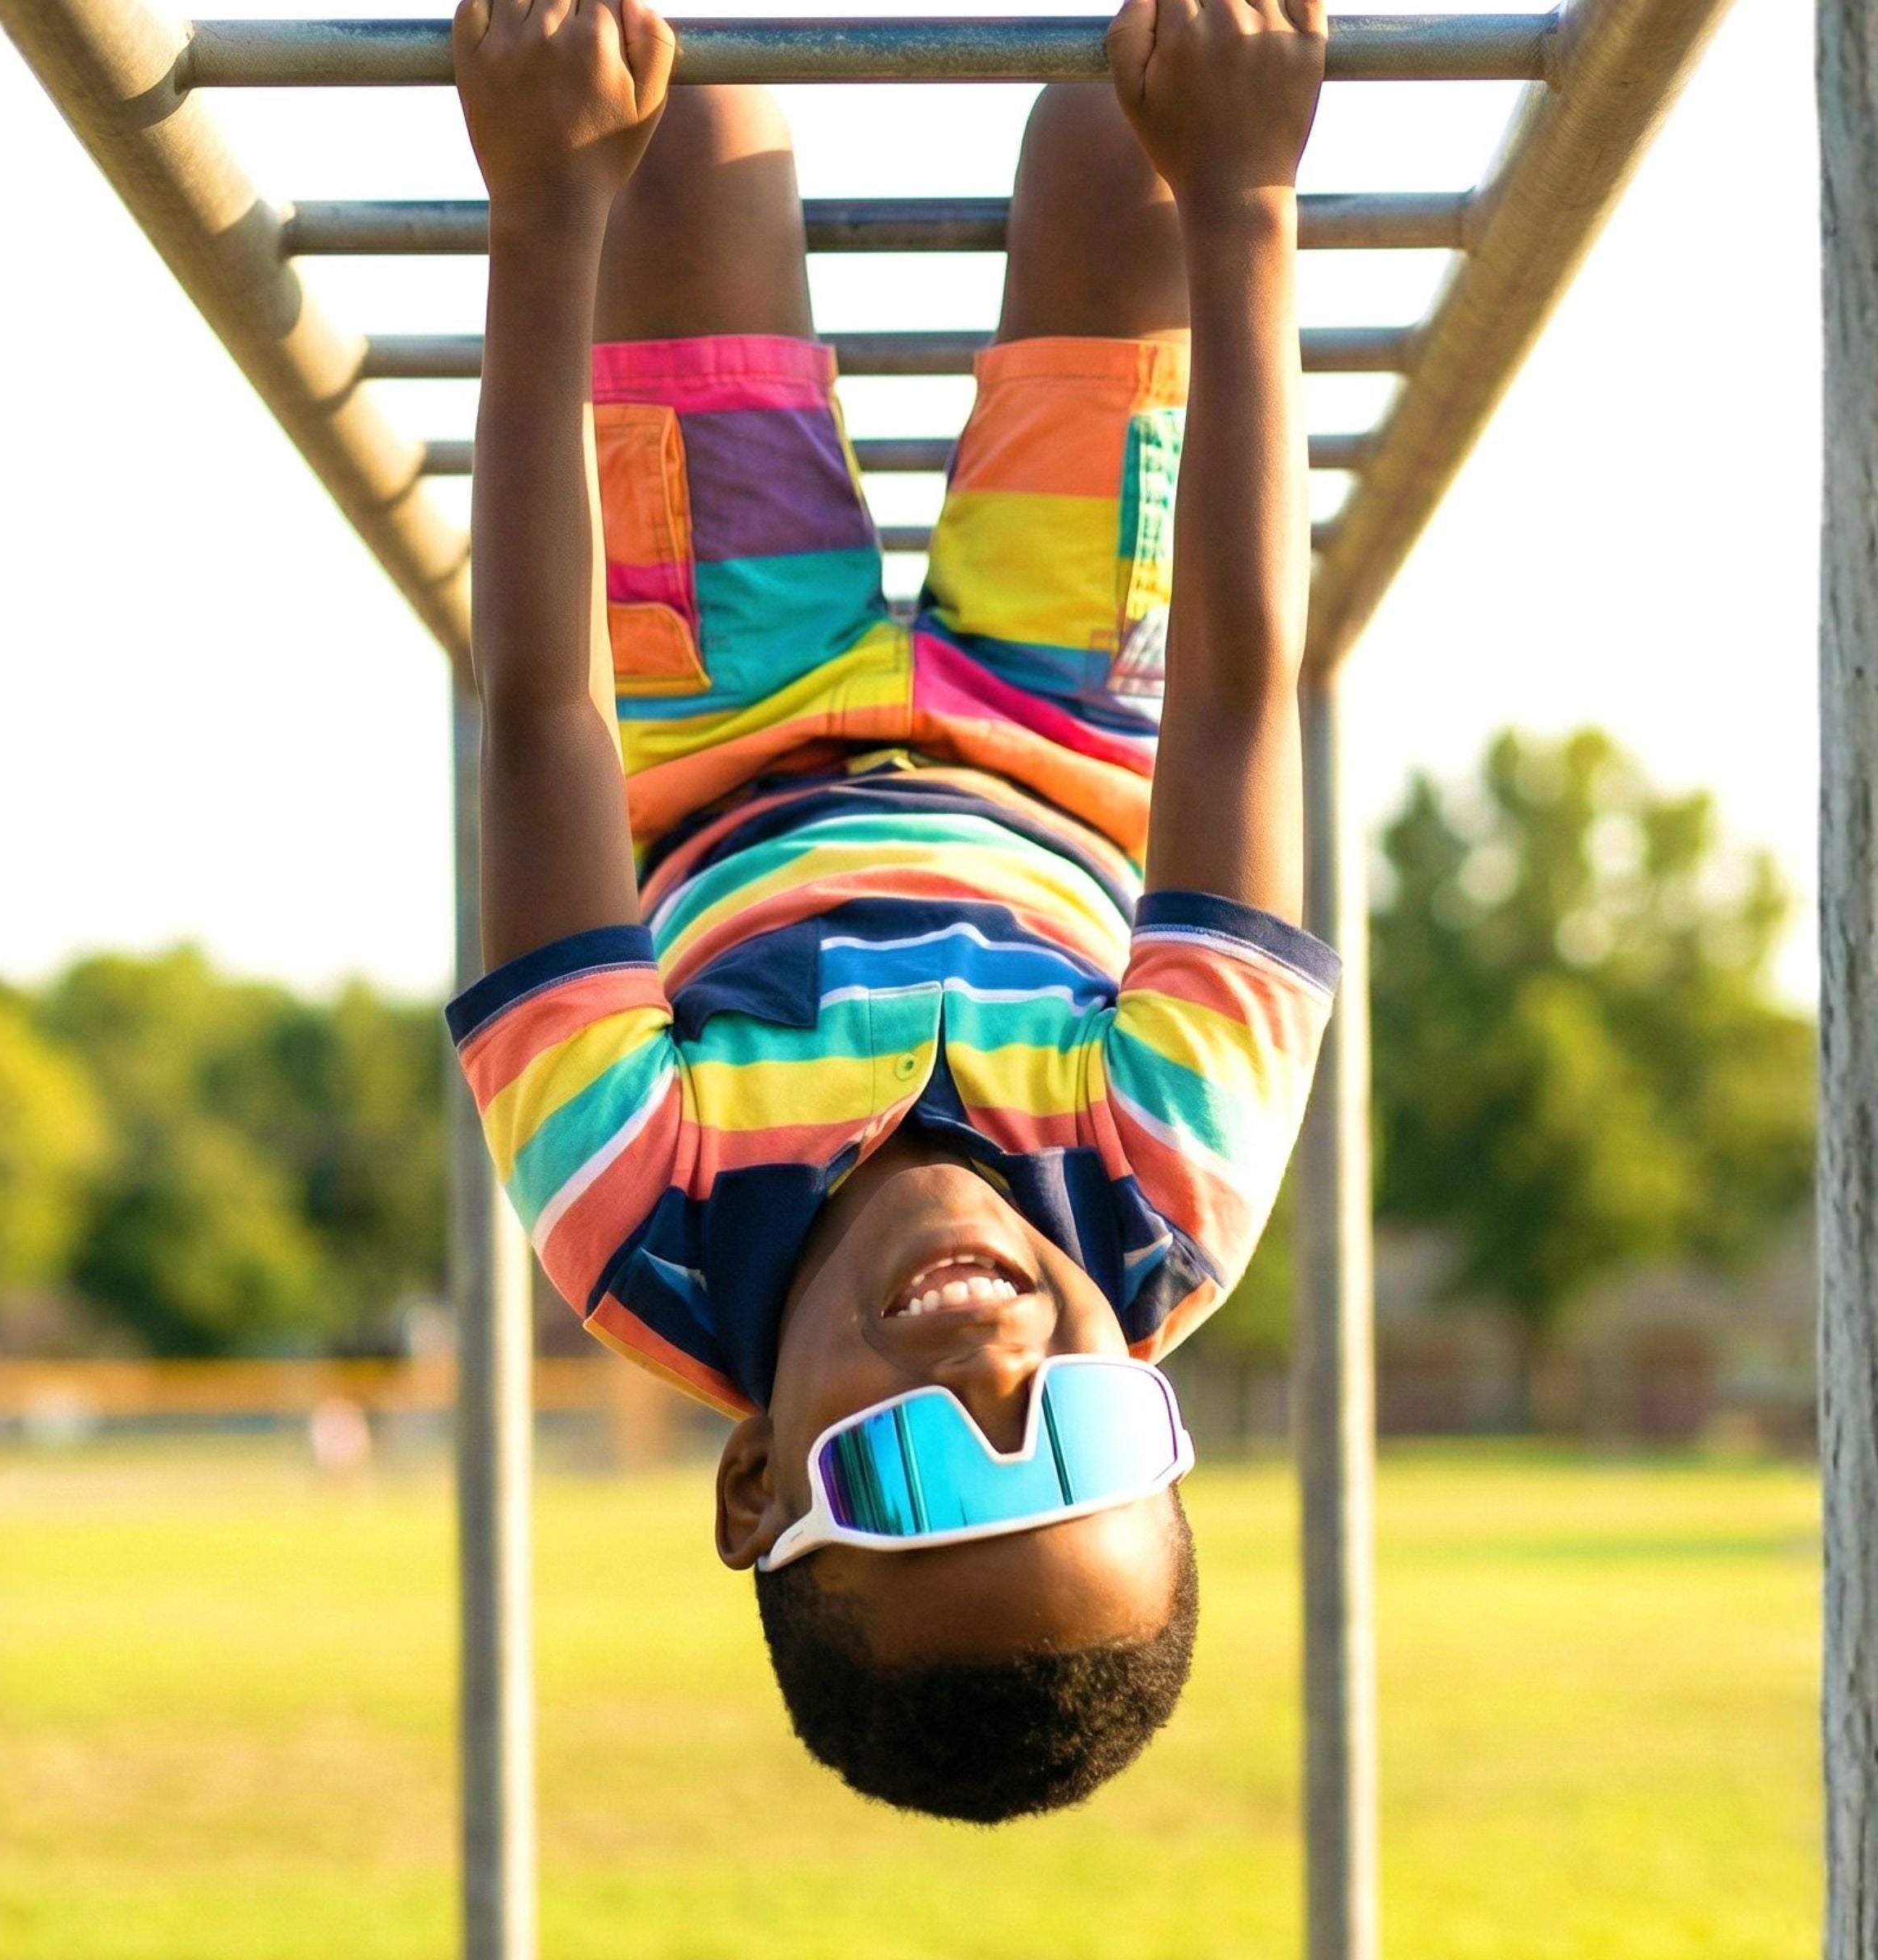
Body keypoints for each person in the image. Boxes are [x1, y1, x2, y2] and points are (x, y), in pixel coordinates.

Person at [444, 0, 1336, 1823]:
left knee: (680, 142)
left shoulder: (638, 1220)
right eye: (1084, 1441)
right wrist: (1251, 199)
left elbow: (542, 723)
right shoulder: (1176, 1184)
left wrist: (538, 216)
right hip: (1070, 730)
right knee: (1129, 151)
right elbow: (1245, 690)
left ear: (755, 1485)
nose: (994, 1374)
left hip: (722, 727)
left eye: (921, 1476)